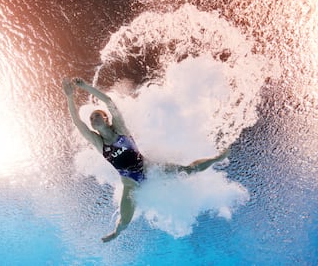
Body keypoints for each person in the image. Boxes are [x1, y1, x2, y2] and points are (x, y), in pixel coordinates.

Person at [62, 77, 230, 242]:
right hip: (130, 183)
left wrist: (85, 87)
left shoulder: (120, 129)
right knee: (125, 220)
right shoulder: (99, 143)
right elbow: (78, 123)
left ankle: (216, 158)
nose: (93, 119)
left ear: (106, 118)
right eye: (91, 119)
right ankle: (116, 232)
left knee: (188, 170)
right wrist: (70, 97)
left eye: (97, 115)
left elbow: (108, 101)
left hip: (148, 167)